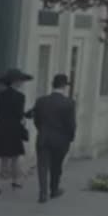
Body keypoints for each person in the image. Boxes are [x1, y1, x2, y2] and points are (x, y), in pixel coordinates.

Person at [0, 67, 33, 195]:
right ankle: (15, 181)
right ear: (15, 81)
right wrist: (25, 117)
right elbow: (19, 114)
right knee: (16, 155)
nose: (22, 82)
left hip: (0, 126)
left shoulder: (0, 95)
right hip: (13, 127)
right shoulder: (20, 96)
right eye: (20, 80)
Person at [28, 73, 77, 203]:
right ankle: (54, 190)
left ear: (52, 85)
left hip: (43, 138)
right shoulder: (69, 103)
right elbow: (71, 124)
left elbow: (37, 120)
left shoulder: (41, 101)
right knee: (56, 166)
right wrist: (70, 138)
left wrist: (42, 130)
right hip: (61, 140)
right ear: (64, 86)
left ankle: (43, 193)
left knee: (42, 166)